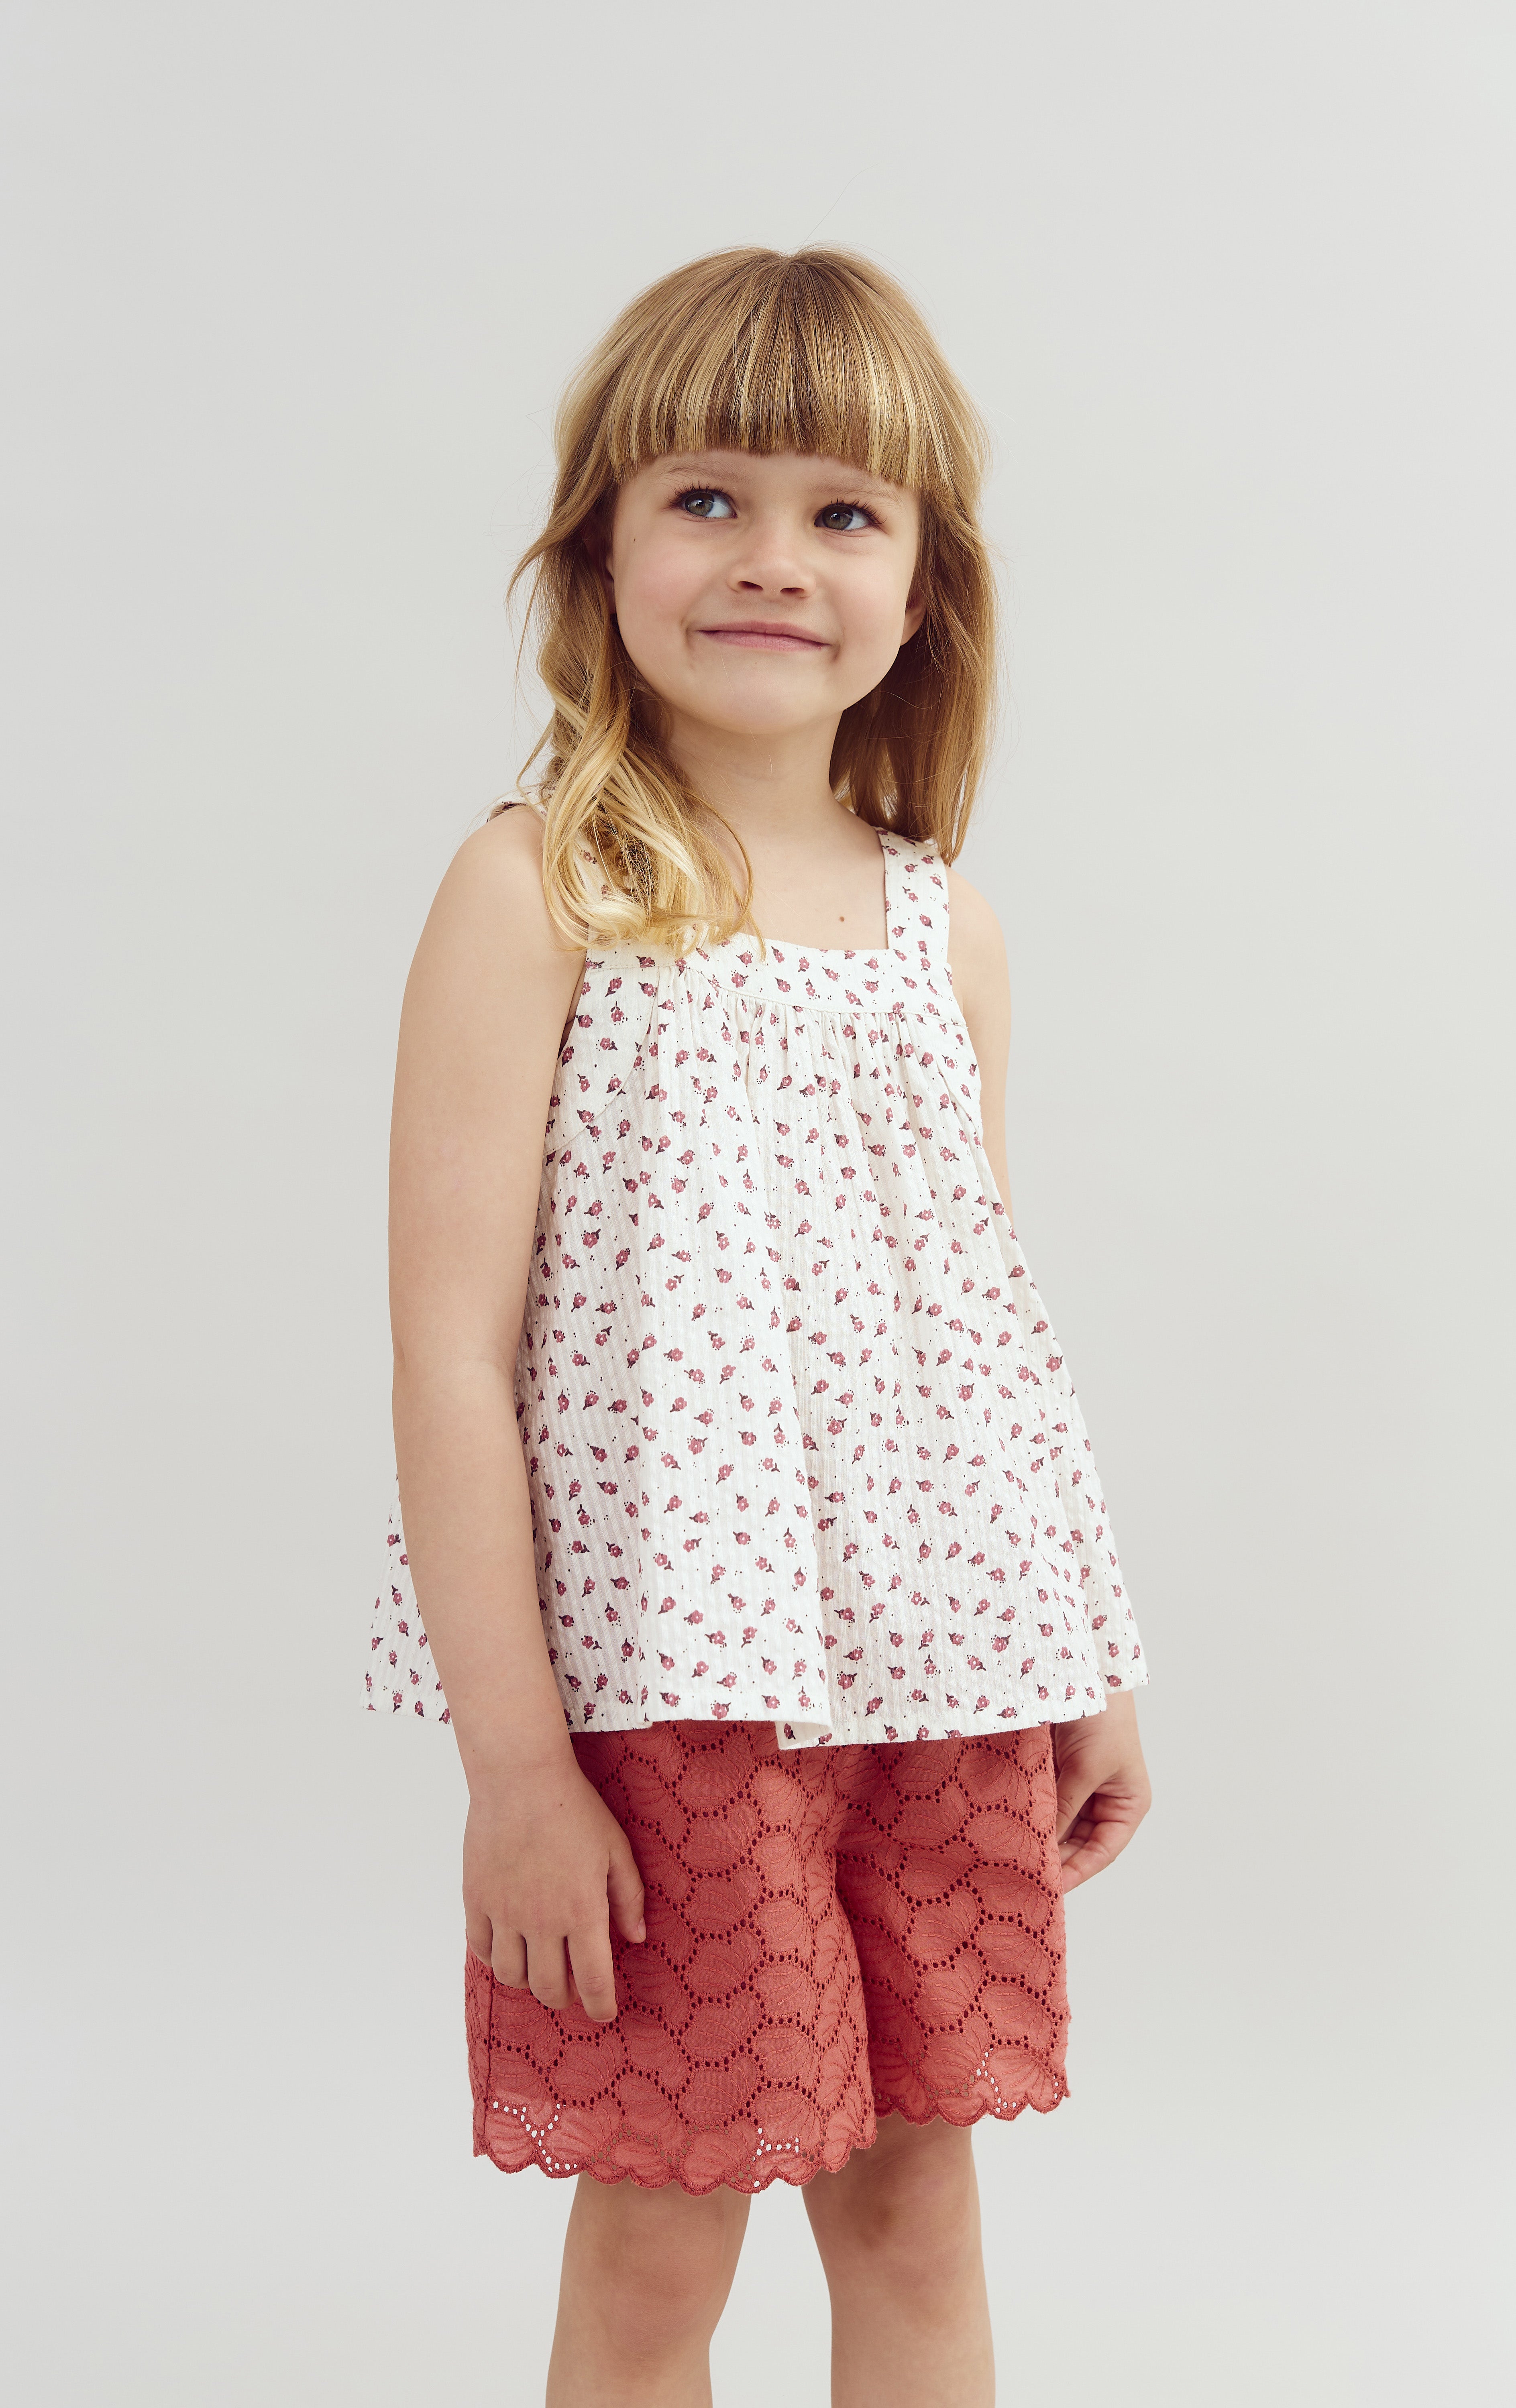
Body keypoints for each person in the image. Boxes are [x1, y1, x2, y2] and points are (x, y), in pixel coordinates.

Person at [370, 244, 1151, 2407]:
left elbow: (982, 1338)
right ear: (598, 547)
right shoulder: (543, 889)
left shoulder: (946, 933)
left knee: (916, 2211)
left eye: (842, 512)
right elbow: (453, 1351)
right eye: (705, 500)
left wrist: (1074, 1657)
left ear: (921, 587)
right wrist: (518, 1767)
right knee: (661, 2240)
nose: (772, 561)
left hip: (933, 1668)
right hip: (671, 1689)